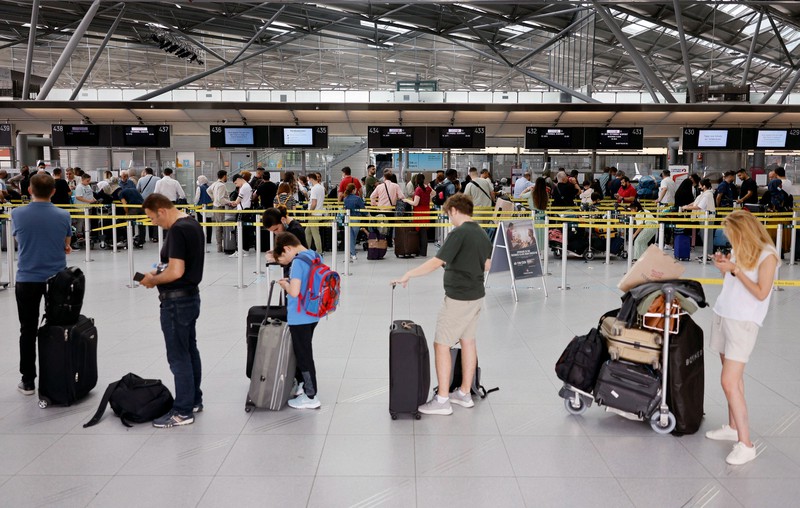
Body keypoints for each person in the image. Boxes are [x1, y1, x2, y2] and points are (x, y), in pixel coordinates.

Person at [391, 194, 492, 416]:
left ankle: (443, 399)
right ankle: (465, 393)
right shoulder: (481, 232)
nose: (449, 219)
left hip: (458, 298)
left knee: (441, 344)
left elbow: (436, 262)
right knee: (468, 342)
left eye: (448, 214)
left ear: (455, 210)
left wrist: (409, 273)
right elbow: (487, 264)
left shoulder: (460, 233)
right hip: (475, 295)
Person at [704, 210, 778, 465]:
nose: (730, 240)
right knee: (732, 377)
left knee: (729, 382)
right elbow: (733, 282)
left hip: (743, 323)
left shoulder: (768, 256)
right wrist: (725, 268)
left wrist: (735, 270)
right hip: (724, 314)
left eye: (733, 235)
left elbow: (761, 293)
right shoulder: (741, 249)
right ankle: (733, 427)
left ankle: (746, 444)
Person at [139, 193, 205, 428]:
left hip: (176, 302)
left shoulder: (177, 230)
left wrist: (152, 280)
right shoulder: (192, 223)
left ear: (162, 210)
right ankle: (194, 399)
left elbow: (176, 271)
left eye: (152, 218)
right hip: (190, 298)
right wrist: (157, 274)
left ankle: (183, 411)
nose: (153, 223)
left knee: (178, 356)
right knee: (189, 350)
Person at [12, 174, 73, 395]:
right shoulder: (63, 214)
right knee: (57, 327)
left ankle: (28, 380)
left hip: (27, 279)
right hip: (57, 279)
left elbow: (20, 239)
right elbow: (67, 244)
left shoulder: (17, 213)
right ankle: (56, 376)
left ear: (29, 190)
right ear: (54, 192)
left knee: (27, 329)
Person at [270, 232, 323, 409]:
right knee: (305, 350)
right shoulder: (314, 255)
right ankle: (303, 385)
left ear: (287, 248)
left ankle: (310, 395)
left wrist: (286, 284)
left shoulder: (299, 261)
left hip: (299, 315)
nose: (285, 261)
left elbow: (294, 292)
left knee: (303, 355)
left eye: (284, 257)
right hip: (313, 311)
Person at [404, 172, 433, 256]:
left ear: (416, 180)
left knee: (421, 232)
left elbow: (415, 203)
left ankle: (422, 251)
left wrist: (406, 200)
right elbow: (434, 193)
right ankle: (422, 251)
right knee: (423, 231)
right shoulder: (427, 188)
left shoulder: (418, 189)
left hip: (419, 211)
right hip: (426, 210)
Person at [228, 174, 253, 257]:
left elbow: (237, 201)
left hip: (242, 212)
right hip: (246, 210)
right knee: (244, 231)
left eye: (235, 183)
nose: (236, 185)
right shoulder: (248, 186)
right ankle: (243, 249)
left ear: (239, 179)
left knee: (238, 231)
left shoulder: (244, 187)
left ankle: (240, 250)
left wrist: (231, 203)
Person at [206, 170, 231, 253]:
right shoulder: (221, 185)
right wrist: (230, 202)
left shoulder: (214, 184)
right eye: (226, 176)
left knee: (218, 228)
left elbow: (208, 191)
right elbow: (221, 199)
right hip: (220, 208)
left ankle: (219, 247)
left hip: (215, 207)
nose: (227, 177)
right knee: (223, 228)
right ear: (224, 176)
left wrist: (214, 198)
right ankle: (225, 246)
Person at [343, 183, 366, 261]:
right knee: (353, 236)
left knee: (350, 236)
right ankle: (353, 253)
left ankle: (351, 253)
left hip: (348, 218)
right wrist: (367, 215)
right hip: (356, 218)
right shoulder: (358, 198)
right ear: (353, 190)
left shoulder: (345, 199)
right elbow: (363, 208)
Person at [305, 172, 326, 252]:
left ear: (311, 179)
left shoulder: (314, 188)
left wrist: (310, 212)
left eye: (308, 180)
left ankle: (319, 251)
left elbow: (314, 203)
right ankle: (307, 249)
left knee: (315, 233)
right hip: (319, 212)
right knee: (308, 232)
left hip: (314, 213)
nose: (308, 182)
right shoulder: (321, 187)